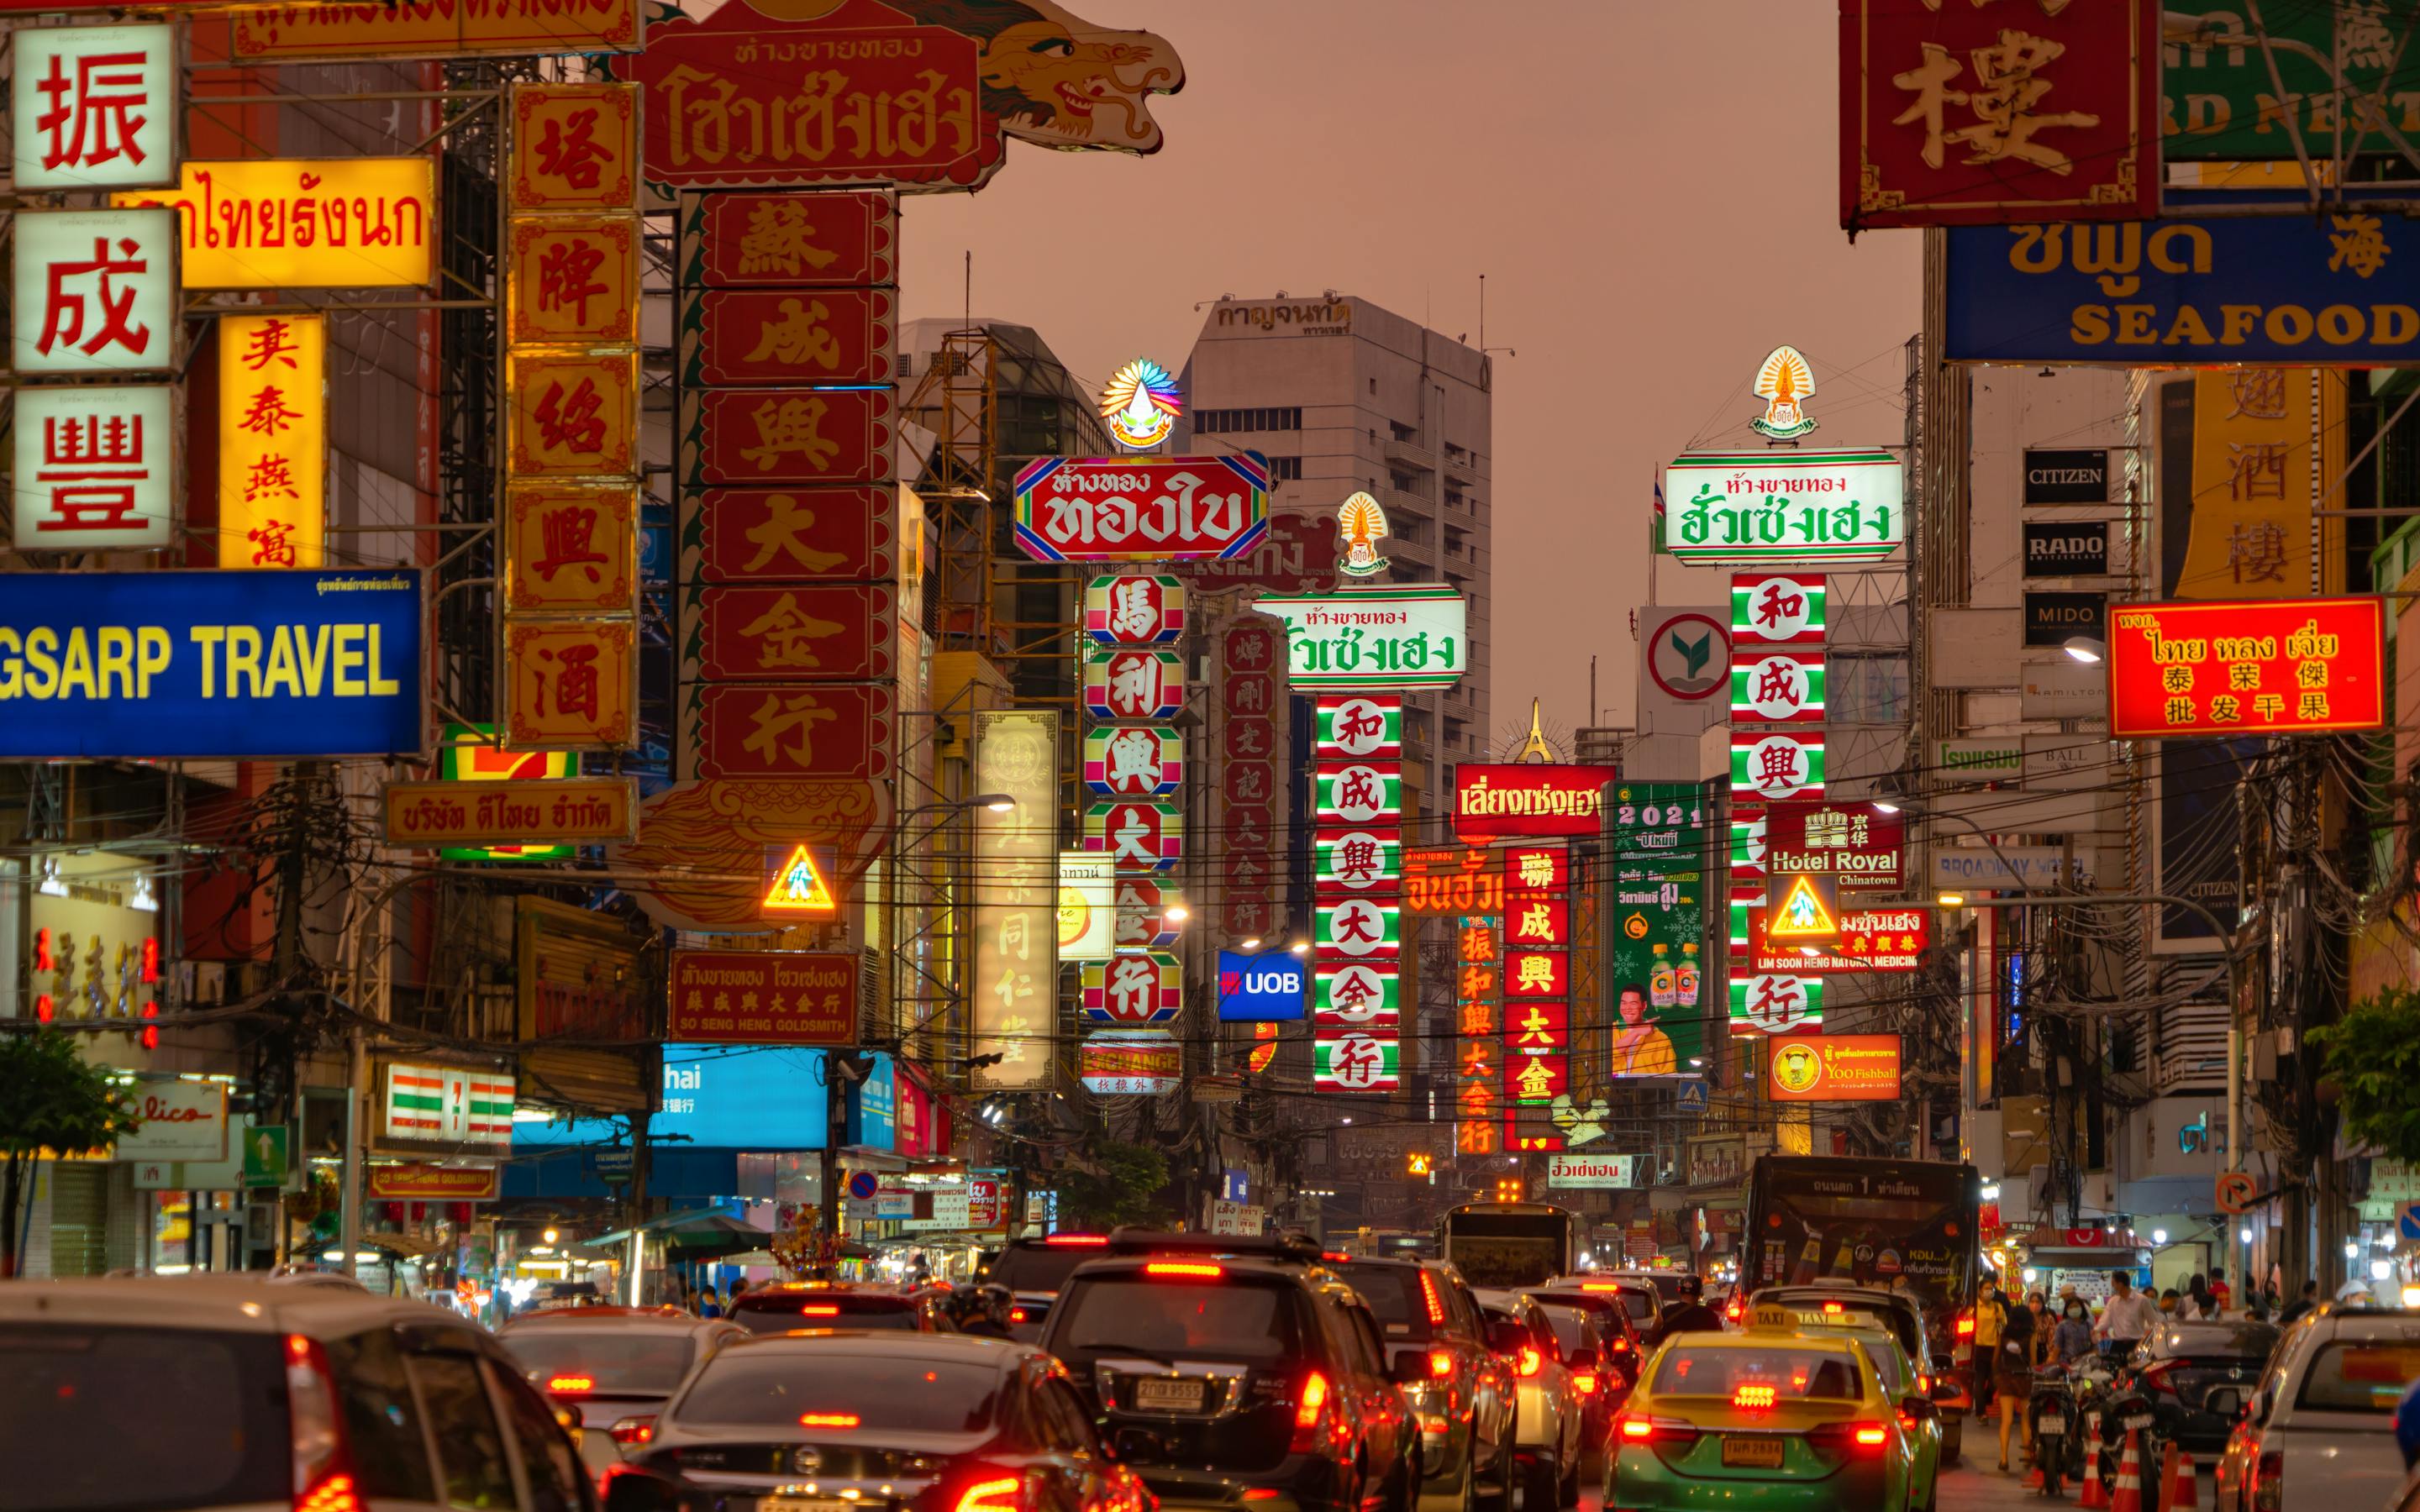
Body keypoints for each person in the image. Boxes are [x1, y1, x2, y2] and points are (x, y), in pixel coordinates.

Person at [1995, 1289, 2038, 1472]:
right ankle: (2027, 1456)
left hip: (2006, 1376)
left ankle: (2004, 1459)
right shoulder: (2031, 1336)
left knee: (2007, 1420)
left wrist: (1995, 1375)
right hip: (2024, 1378)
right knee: (2026, 1420)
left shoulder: (2004, 1334)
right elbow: (2034, 1361)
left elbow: (1996, 1357)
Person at [1609, 984, 1676, 1076]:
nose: (1627, 1008)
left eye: (1633, 1003)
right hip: (1612, 1089)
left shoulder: (1660, 1039)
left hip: (1648, 1090)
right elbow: (1602, 1058)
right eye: (1623, 1003)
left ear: (1644, 1006)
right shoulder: (1610, 1031)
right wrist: (1636, 1032)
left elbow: (1670, 1076)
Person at [2096, 1269, 2159, 1358]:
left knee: (2136, 1369)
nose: (2112, 1286)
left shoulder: (2142, 1300)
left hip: (2137, 1343)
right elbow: (2105, 1320)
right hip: (2117, 1343)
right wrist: (2096, 1329)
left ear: (2120, 1284)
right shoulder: (2113, 1301)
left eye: (2113, 1283)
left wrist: (2153, 1341)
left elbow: (2154, 1322)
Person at [1649, 1273, 1725, 1346]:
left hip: (1673, 1356)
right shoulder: (1710, 1315)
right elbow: (1720, 1338)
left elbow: (1653, 1334)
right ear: (1699, 1292)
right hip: (1703, 1356)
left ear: (1680, 1291)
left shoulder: (1665, 1312)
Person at [1973, 1278, 2012, 1417]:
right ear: (1979, 1291)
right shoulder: (1974, 1307)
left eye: (1991, 1289)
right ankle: (1981, 1413)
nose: (1989, 1291)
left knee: (1994, 1381)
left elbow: (2003, 1327)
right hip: (1978, 1348)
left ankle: (1985, 1397)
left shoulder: (1997, 1307)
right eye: (1986, 1289)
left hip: (1994, 1349)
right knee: (1980, 1379)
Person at [2054, 1297, 2096, 1363]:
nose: (2074, 1309)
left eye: (2076, 1306)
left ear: (2082, 1308)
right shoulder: (2062, 1326)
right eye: (2071, 1307)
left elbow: (2094, 1345)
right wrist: (2053, 1361)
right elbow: (2058, 1347)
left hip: (2085, 1362)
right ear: (2067, 1310)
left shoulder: (2088, 1325)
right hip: (2067, 1362)